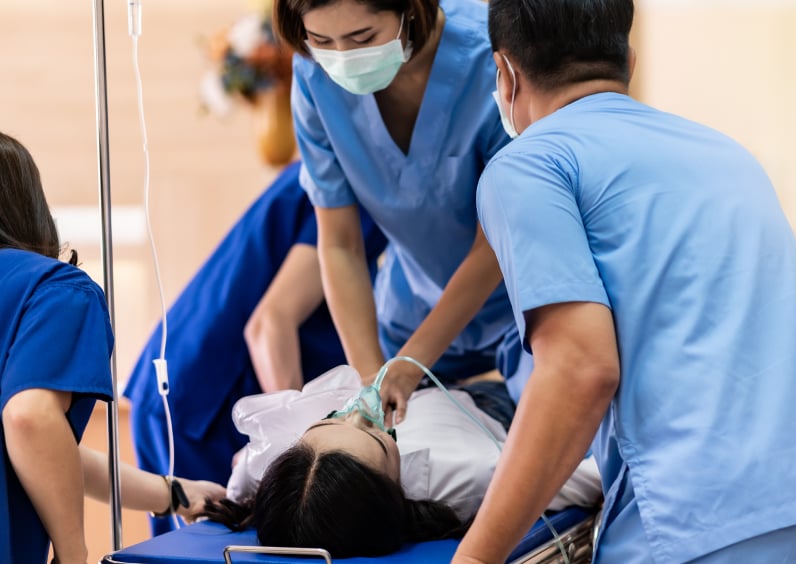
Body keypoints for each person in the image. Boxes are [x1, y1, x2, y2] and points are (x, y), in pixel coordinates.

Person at [453, 1, 796, 562]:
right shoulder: (724, 152)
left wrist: (476, 556)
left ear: (506, 73)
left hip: (711, 519)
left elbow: (579, 370)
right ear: (629, 61)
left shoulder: (531, 164)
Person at [274, 0, 529, 427]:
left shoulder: (491, 54)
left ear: (409, 8)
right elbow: (339, 243)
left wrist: (412, 362)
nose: (344, 58)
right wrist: (372, 379)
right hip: (412, 307)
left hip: (521, 306)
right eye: (321, 40)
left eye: (363, 38)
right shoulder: (315, 77)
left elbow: (500, 237)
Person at [124, 161, 387, 534]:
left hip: (181, 390)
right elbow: (269, 325)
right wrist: (294, 445)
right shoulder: (347, 194)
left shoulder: (315, 174)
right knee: (213, 548)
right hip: (205, 408)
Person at [0, 131, 225, 564]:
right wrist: (73, 553)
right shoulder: (52, 288)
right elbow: (29, 419)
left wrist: (176, 493)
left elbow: (45, 452)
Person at [202, 365, 601, 558]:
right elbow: (595, 479)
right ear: (396, 488)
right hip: (485, 405)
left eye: (331, 419)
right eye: (376, 435)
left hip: (418, 383)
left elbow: (246, 475)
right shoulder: (476, 475)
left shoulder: (285, 472)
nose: (359, 409)